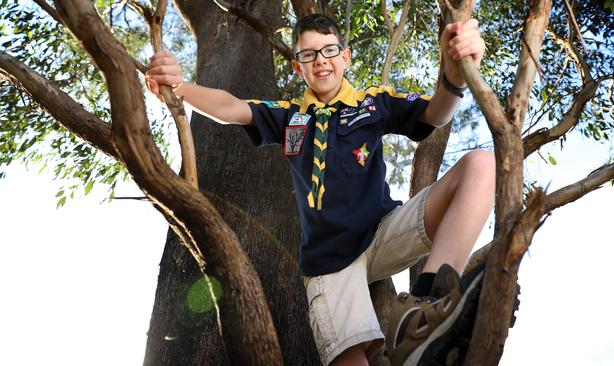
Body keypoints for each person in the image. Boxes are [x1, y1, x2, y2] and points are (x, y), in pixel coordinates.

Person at [146, 13, 492, 366]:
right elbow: (233, 108)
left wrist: (452, 77)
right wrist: (179, 87)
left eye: (329, 50)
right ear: (298, 67)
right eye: (309, 55)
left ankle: (426, 307)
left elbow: (435, 114)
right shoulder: (291, 117)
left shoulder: (373, 102)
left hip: (382, 233)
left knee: (482, 165)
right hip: (328, 263)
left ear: (345, 57)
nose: (321, 60)